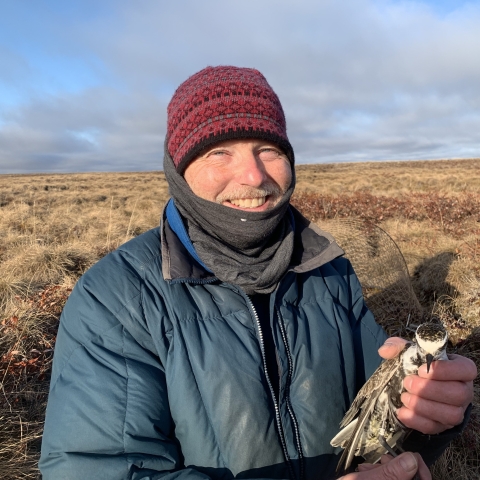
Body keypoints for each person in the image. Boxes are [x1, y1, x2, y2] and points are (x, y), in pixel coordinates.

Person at [39, 66, 476, 480]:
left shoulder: (329, 268)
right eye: (219, 152)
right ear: (178, 170)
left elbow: (375, 422)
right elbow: (95, 467)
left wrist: (428, 412)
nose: (253, 175)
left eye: (269, 149)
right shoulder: (117, 295)